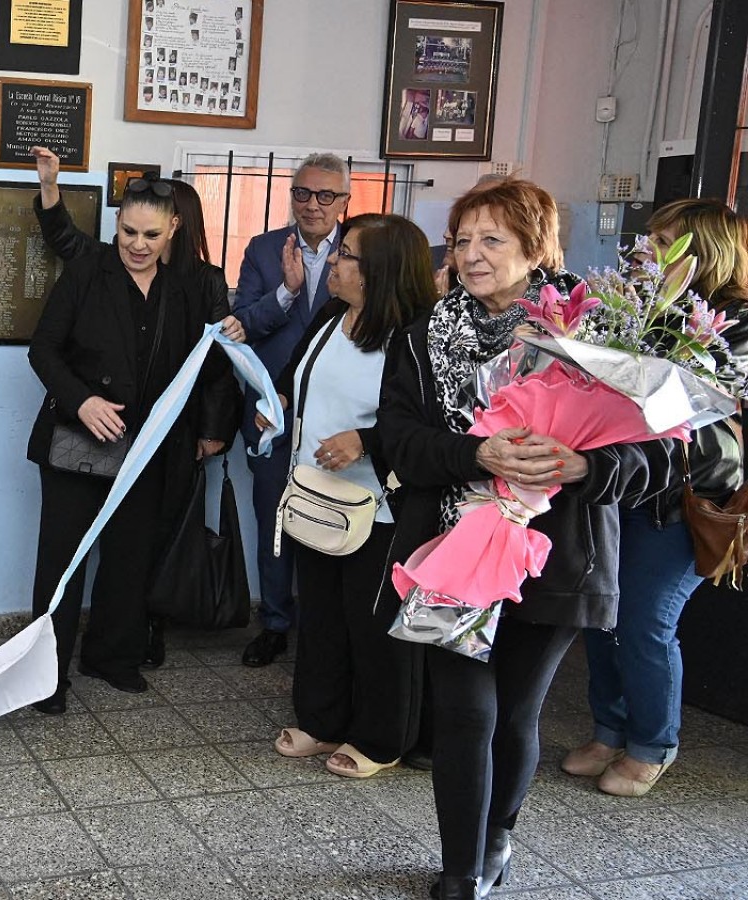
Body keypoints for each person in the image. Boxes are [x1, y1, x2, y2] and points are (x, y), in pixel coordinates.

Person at [379, 178, 668, 900]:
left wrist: (584, 464)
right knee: (465, 712)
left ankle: (498, 832)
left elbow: (659, 455)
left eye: (492, 240)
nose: (471, 256)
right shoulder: (422, 336)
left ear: (535, 247)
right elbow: (399, 442)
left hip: (556, 556)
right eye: (462, 241)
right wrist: (474, 454)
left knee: (513, 712)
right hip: (454, 553)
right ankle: (459, 869)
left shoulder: (599, 334)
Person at [24, 176, 238, 714]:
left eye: (149, 234)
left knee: (130, 558)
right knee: (63, 563)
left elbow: (198, 370)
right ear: (115, 228)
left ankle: (111, 657)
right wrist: (82, 403)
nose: (137, 245)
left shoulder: (187, 290)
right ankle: (44, 677)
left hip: (149, 451)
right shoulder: (86, 272)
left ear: (172, 229)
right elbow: (43, 351)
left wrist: (228, 342)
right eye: (126, 233)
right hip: (79, 445)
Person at [562, 198, 748, 797]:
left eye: (661, 242)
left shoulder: (739, 324)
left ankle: (653, 742)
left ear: (702, 251)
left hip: (687, 501)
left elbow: (722, 424)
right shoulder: (645, 314)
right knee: (601, 612)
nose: (645, 253)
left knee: (645, 621)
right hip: (620, 490)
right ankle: (609, 728)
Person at [261, 214, 436, 778]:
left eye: (348, 254)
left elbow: (432, 425)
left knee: (373, 623)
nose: (333, 261)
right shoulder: (334, 314)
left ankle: (381, 739)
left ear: (379, 271)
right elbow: (295, 373)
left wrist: (366, 440)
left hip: (380, 507)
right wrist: (277, 401)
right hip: (319, 497)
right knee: (321, 614)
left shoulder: (416, 336)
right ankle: (321, 719)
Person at [232, 153, 353, 667]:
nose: (312, 205)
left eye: (325, 195)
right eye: (302, 193)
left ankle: (329, 626)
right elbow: (243, 326)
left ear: (344, 202)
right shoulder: (263, 250)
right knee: (273, 521)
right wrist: (288, 292)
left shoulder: (359, 250)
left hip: (340, 419)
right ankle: (276, 623)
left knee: (336, 519)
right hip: (273, 416)